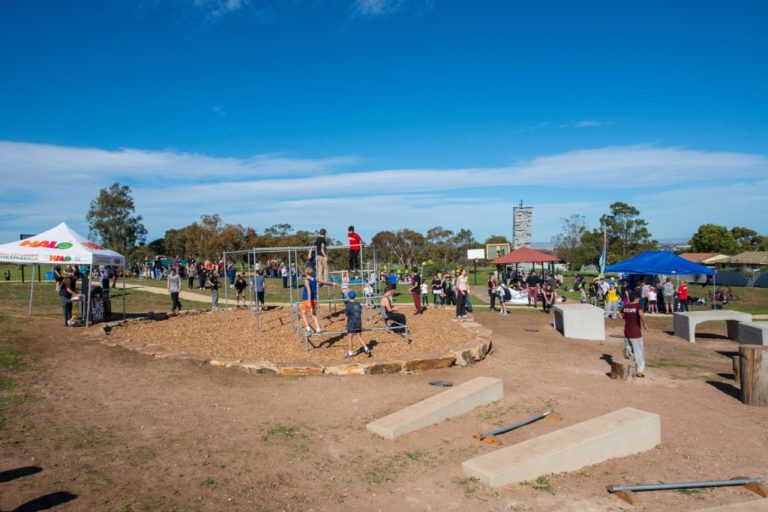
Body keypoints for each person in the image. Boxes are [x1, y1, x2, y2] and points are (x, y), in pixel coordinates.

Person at [300, 268, 338, 335]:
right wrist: (332, 283)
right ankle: (318, 329)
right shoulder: (315, 279)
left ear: (306, 273)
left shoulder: (306, 281)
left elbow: (309, 291)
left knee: (303, 313)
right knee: (313, 314)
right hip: (314, 299)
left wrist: (308, 301)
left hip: (307, 299)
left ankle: (308, 328)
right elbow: (323, 282)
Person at [620, 291, 648, 378]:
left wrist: (625, 317)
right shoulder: (637, 306)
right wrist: (644, 323)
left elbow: (619, 315)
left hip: (627, 332)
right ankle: (639, 371)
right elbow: (640, 313)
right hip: (635, 333)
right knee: (639, 352)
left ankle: (627, 349)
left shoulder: (626, 306)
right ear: (636, 299)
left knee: (630, 346)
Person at [344, 290, 371, 358]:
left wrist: (345, 324)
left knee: (350, 337)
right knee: (359, 336)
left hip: (352, 323)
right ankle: (366, 349)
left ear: (348, 296)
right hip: (358, 322)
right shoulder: (358, 304)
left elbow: (346, 316)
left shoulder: (348, 305)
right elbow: (359, 311)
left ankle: (350, 353)